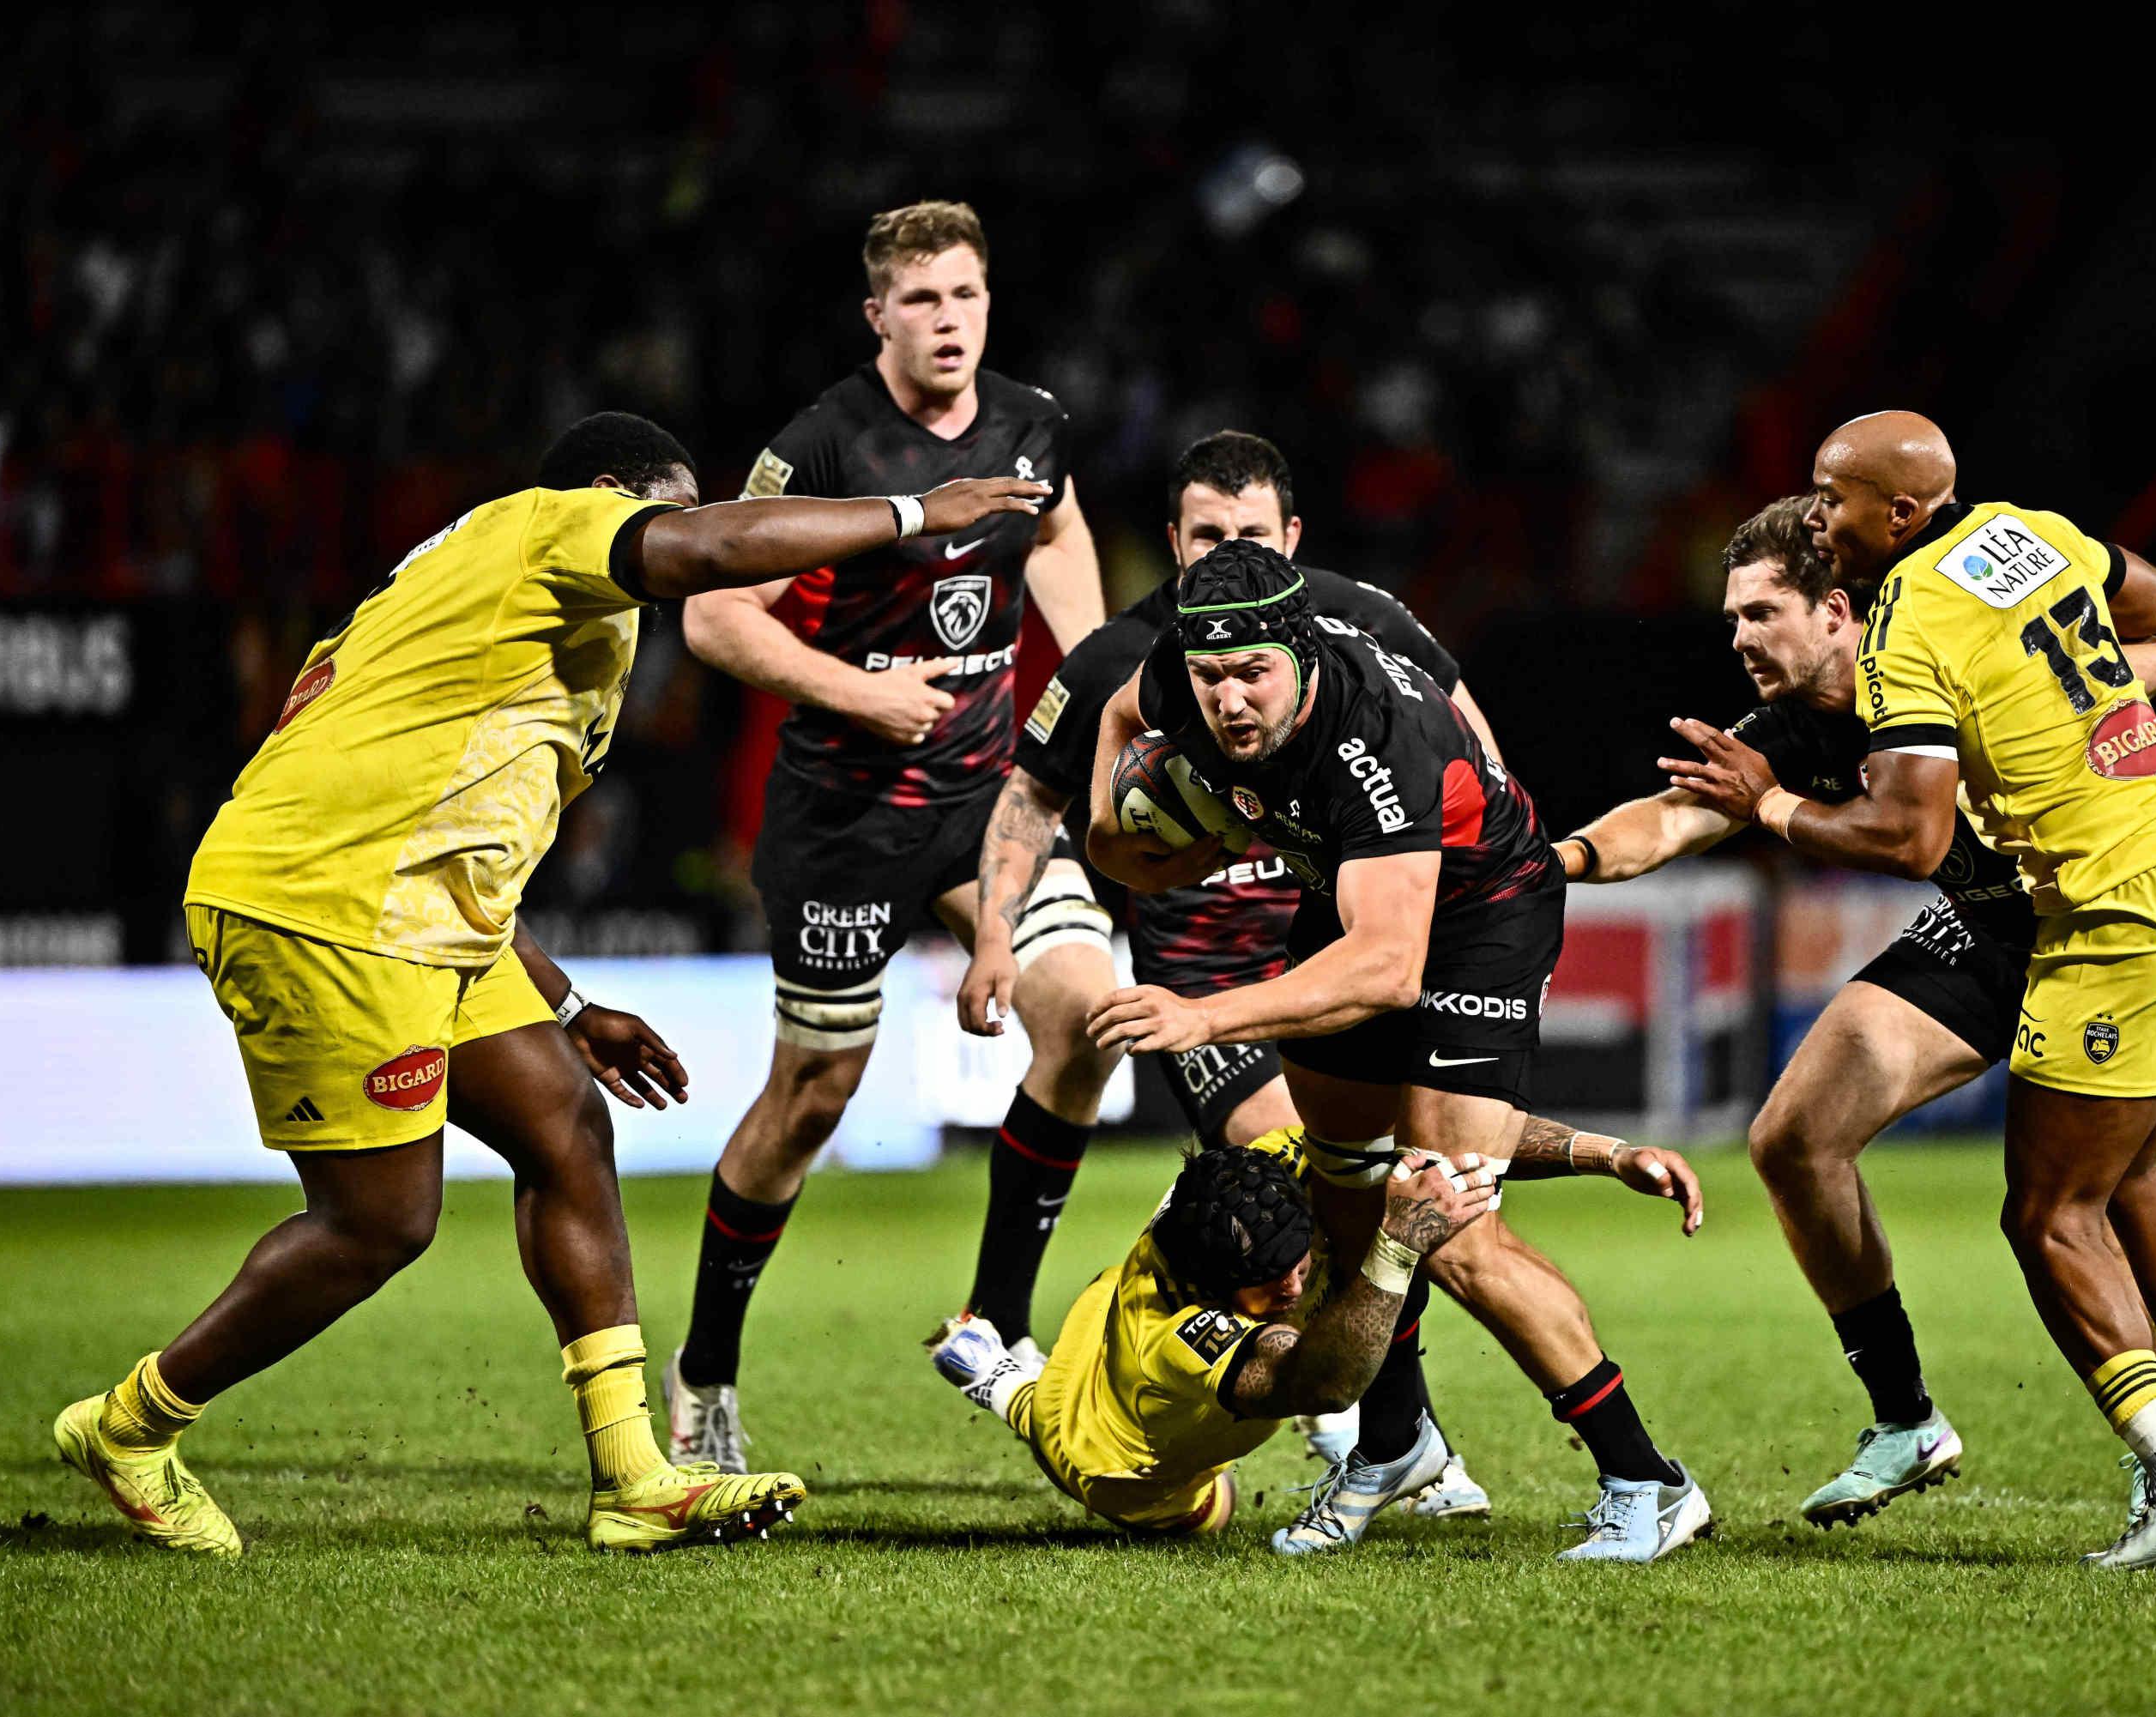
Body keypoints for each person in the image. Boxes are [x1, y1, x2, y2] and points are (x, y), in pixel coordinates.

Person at [52, 411, 1050, 1555]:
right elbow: (711, 550)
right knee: (380, 1221)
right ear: (613, 496)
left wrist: (570, 1005)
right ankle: (132, 1424)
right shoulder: (547, 531)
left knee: (565, 1122)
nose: (680, 533)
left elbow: (463, 826)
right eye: (665, 509)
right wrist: (919, 514)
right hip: (325, 902)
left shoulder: (542, 621)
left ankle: (634, 1479)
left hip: (417, 913)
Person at [969, 431, 1699, 1499]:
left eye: (1249, 537)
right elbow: (1099, 785)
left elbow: (1399, 948)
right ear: (1174, 550)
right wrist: (1156, 836)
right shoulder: (1170, 663)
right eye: (1206, 538)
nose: (1227, 696)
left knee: (1442, 1219)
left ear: (1293, 561)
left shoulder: (1374, 719)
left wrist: (1206, 1016)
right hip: (1285, 935)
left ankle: (1644, 1483)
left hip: (1447, 917)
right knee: (1346, 1191)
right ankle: (1391, 1441)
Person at [1569, 495, 2156, 1537]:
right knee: (1794, 1139)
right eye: (1732, 617)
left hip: (2092, 921)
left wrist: (2103, 694)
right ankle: (1906, 1417)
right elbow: (1673, 815)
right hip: (1993, 930)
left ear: (1838, 611)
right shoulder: (1796, 726)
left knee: (2101, 1186)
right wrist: (1559, 864)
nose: (1737, 637)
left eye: (1762, 613)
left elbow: (2147, 650)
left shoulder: (1935, 651)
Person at [667, 201, 1117, 1470]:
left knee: (1088, 1015)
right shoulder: (820, 444)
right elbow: (713, 619)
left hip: (986, 802)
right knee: (813, 1099)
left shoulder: (1032, 424)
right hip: (843, 820)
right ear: (877, 315)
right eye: (921, 301)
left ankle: (996, 1322)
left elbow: (1061, 524)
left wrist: (1083, 667)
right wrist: (861, 690)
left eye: (966, 296)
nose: (948, 322)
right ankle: (703, 1379)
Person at [924, 1133, 1498, 1535]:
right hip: (1115, 1468)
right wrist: (1398, 1245)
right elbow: (1322, 1383)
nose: (1292, 1290)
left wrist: (1586, 1149)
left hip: (1103, 1315)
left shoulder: (1241, 1188)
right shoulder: (1183, 1337)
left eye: (1292, 1272)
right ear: (1213, 1286)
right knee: (1215, 1508)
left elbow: (1441, 1129)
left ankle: (992, 1368)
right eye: (1268, 1283)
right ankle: (996, 1379)